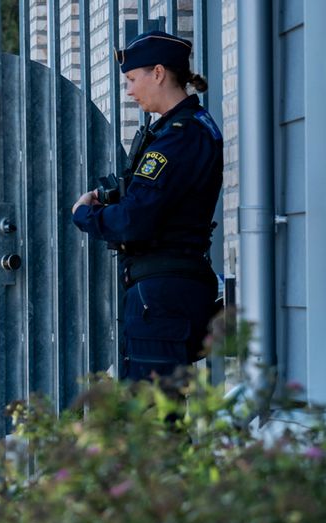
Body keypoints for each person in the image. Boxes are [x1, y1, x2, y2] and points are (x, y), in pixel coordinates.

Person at [71, 31, 222, 382]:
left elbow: (133, 220)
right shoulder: (179, 130)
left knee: (153, 419)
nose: (129, 90)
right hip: (164, 289)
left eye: (132, 79)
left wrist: (85, 214)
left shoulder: (180, 136)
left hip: (163, 294)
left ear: (158, 72)